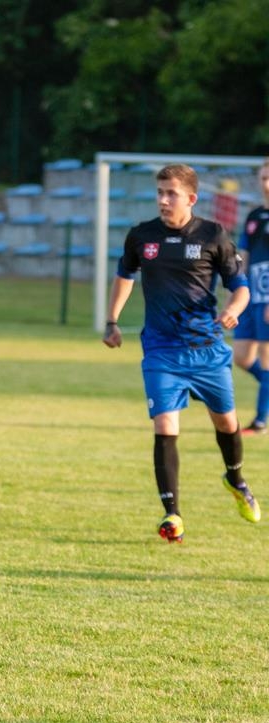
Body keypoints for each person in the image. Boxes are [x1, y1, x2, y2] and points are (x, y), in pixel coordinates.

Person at [103, 163, 259, 543]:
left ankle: (235, 478)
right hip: (161, 350)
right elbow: (125, 275)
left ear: (190, 198)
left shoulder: (213, 234)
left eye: (171, 193)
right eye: (159, 192)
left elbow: (240, 287)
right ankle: (172, 514)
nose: (163, 200)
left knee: (226, 424)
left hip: (206, 349)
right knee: (165, 427)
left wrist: (232, 311)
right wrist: (112, 321)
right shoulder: (142, 237)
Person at [232, 158, 269, 435]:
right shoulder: (254, 216)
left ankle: (259, 421)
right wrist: (236, 290)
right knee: (242, 356)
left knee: (267, 357)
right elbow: (243, 257)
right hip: (251, 295)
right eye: (263, 177)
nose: (266, 184)